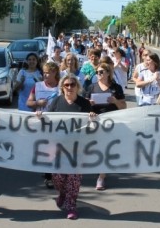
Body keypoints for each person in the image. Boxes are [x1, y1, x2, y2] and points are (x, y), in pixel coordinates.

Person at [36, 74, 94, 220]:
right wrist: (40, 116)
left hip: (77, 148)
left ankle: (71, 205)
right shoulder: (56, 101)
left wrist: (93, 118)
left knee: (74, 179)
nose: (69, 87)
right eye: (66, 85)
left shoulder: (84, 104)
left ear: (77, 87)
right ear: (62, 87)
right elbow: (47, 120)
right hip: (58, 148)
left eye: (72, 85)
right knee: (58, 178)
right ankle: (62, 193)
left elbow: (91, 125)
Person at [84, 62, 126, 190]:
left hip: (111, 122)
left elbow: (123, 106)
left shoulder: (116, 88)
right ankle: (100, 170)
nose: (99, 74)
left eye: (102, 72)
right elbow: (84, 107)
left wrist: (115, 101)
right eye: (97, 72)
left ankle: (101, 177)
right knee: (96, 148)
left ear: (108, 73)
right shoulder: (91, 87)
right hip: (95, 121)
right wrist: (89, 104)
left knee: (105, 148)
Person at [26, 62, 60, 189]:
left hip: (57, 122)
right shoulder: (38, 86)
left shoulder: (61, 87)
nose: (45, 75)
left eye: (48, 72)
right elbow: (28, 102)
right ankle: (48, 175)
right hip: (41, 122)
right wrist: (37, 103)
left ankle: (52, 174)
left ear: (55, 73)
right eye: (44, 72)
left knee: (55, 148)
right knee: (45, 148)